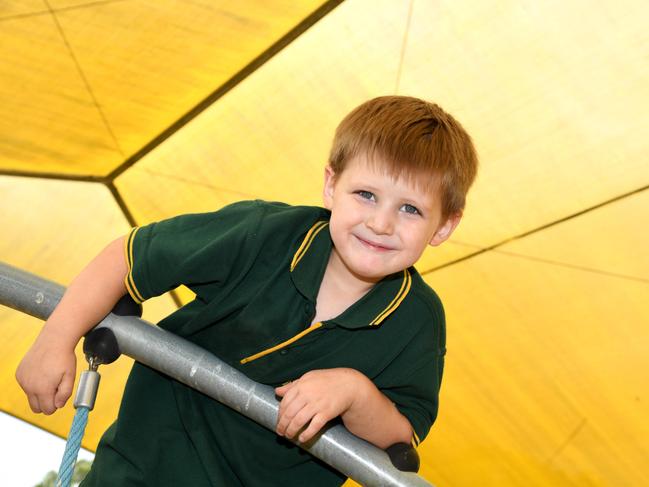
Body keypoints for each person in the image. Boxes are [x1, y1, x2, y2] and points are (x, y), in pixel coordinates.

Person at [16, 96, 478, 486]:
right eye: (366, 195)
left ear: (444, 226)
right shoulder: (264, 234)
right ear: (331, 184)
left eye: (411, 209)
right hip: (144, 467)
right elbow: (131, 257)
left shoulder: (418, 320)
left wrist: (357, 393)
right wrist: (55, 339)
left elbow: (401, 438)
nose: (381, 223)